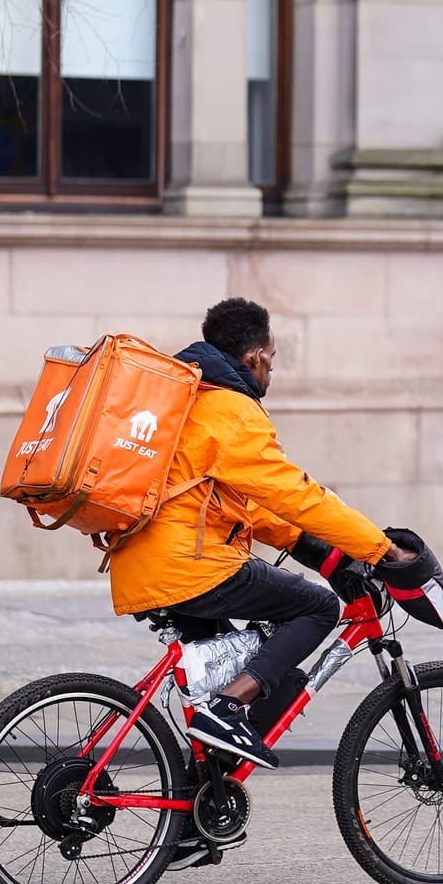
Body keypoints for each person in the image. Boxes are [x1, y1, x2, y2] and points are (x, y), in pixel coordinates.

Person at [107, 297, 411, 771]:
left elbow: (249, 507)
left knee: (244, 689)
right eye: (272, 357)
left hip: (143, 563)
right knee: (317, 608)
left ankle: (191, 830)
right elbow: (295, 494)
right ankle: (226, 709)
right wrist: (381, 548)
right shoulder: (231, 410)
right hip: (193, 567)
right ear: (255, 356)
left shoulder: (185, 400)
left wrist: (319, 554)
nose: (272, 369)